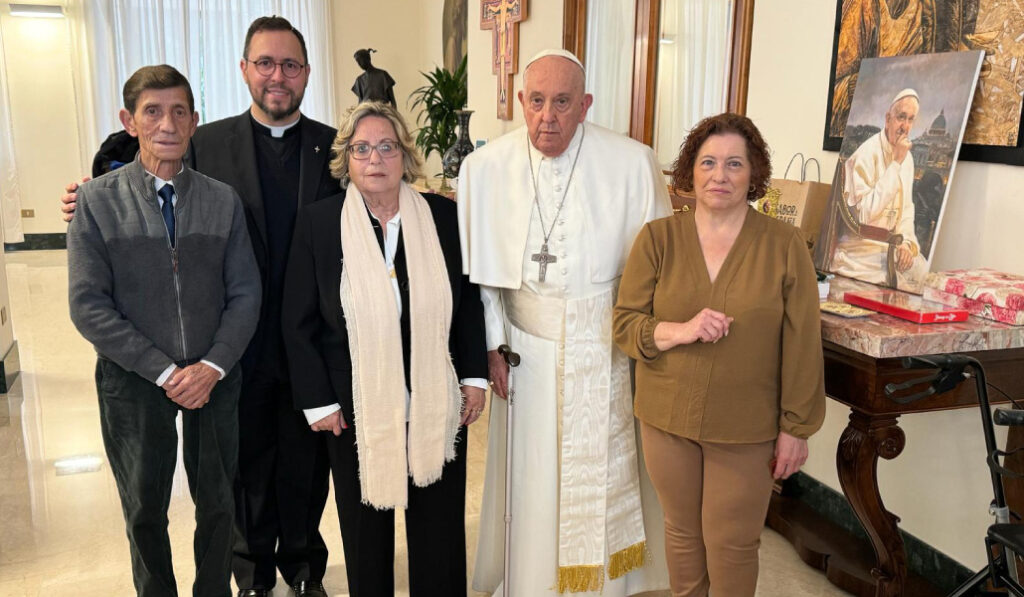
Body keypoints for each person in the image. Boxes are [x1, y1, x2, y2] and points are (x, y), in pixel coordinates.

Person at [61, 16, 338, 597]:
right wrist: (86, 194)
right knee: (239, 476)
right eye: (265, 63)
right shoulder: (206, 140)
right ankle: (252, 571)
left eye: (290, 64)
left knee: (303, 464)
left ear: (307, 73)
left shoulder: (334, 146)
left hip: (297, 337)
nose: (277, 76)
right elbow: (130, 166)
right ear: (244, 71)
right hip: (233, 342)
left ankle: (304, 567)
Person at [457, 49, 672, 596]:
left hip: (605, 349)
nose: (546, 117)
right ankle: (528, 582)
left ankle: (602, 588)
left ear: (585, 105)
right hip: (525, 352)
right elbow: (481, 280)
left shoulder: (632, 162)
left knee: (601, 474)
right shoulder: (484, 169)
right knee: (532, 478)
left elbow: (658, 272)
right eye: (535, 101)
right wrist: (493, 348)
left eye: (561, 102)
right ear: (520, 102)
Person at [612, 113, 826, 597]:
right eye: (708, 162)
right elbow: (625, 325)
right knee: (682, 534)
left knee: (731, 543)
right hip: (666, 418)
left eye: (734, 163)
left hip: (746, 425)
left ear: (754, 175)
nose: (720, 175)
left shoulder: (783, 245)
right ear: (690, 171)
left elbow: (802, 344)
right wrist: (680, 330)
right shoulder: (657, 240)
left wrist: (796, 427)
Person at [67, 65, 261, 597]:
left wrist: (213, 365)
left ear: (195, 121)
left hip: (214, 377)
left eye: (179, 111)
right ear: (129, 121)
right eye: (152, 111)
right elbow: (88, 305)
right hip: (133, 381)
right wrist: (161, 369)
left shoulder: (222, 201)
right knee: (143, 505)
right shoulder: (96, 202)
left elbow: (246, 292)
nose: (167, 124)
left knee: (220, 502)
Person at [282, 101, 487, 596]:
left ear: (405, 155)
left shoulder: (442, 216)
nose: (375, 158)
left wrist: (475, 377)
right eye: (362, 148)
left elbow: (467, 302)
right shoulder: (320, 222)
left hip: (435, 396)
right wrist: (318, 402)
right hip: (353, 403)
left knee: (438, 526)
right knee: (365, 529)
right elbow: (298, 320)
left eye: (387, 147)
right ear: (347, 159)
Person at [831, 88, 928, 290]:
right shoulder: (867, 153)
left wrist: (907, 245)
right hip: (859, 248)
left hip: (891, 245)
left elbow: (907, 210)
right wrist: (895, 164)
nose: (905, 127)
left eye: (911, 120)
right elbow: (865, 216)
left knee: (922, 269)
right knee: (910, 279)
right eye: (901, 117)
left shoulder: (907, 158)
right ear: (888, 119)